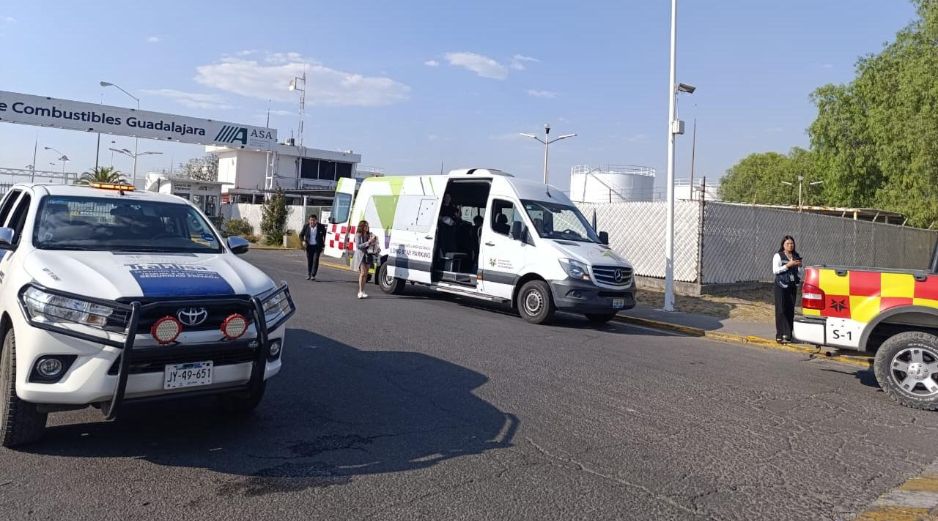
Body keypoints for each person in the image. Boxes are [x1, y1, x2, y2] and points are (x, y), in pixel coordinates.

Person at [772, 235, 803, 344]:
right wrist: (787, 265)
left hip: (792, 285)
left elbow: (799, 273)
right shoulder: (778, 256)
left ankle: (789, 335)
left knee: (790, 310)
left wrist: (799, 266)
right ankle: (780, 335)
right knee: (781, 309)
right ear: (783, 245)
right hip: (781, 285)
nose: (790, 246)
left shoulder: (796, 256)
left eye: (792, 244)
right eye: (788, 244)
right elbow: (775, 270)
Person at [353, 220, 380, 299]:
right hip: (361, 255)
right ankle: (360, 291)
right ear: (361, 226)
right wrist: (368, 242)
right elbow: (358, 246)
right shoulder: (358, 235)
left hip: (368, 255)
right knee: (362, 273)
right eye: (365, 226)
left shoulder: (369, 234)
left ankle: (363, 290)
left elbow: (373, 243)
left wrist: (374, 241)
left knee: (366, 274)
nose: (367, 227)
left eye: (367, 226)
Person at [299, 214, 327, 280]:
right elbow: (301, 235)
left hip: (317, 247)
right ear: (309, 221)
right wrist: (303, 241)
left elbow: (326, 235)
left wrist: (324, 244)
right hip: (309, 246)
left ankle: (313, 275)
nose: (312, 222)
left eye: (314, 220)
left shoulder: (321, 227)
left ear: (316, 221)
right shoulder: (306, 226)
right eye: (311, 220)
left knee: (315, 260)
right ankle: (309, 274)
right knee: (310, 261)